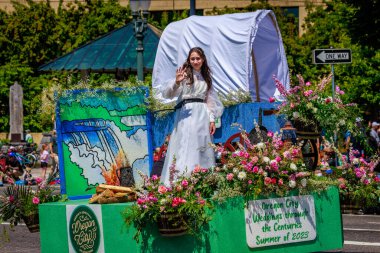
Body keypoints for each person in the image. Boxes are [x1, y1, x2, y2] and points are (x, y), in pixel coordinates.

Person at [159, 47, 224, 185]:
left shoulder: (206, 77)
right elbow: (167, 94)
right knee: (186, 144)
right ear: (189, 60)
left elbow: (210, 101)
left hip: (202, 113)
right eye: (192, 58)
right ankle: (181, 179)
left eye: (198, 58)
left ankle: (204, 179)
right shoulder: (184, 75)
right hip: (186, 113)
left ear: (203, 59)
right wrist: (177, 82)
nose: (195, 61)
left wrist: (212, 119)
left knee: (202, 145)